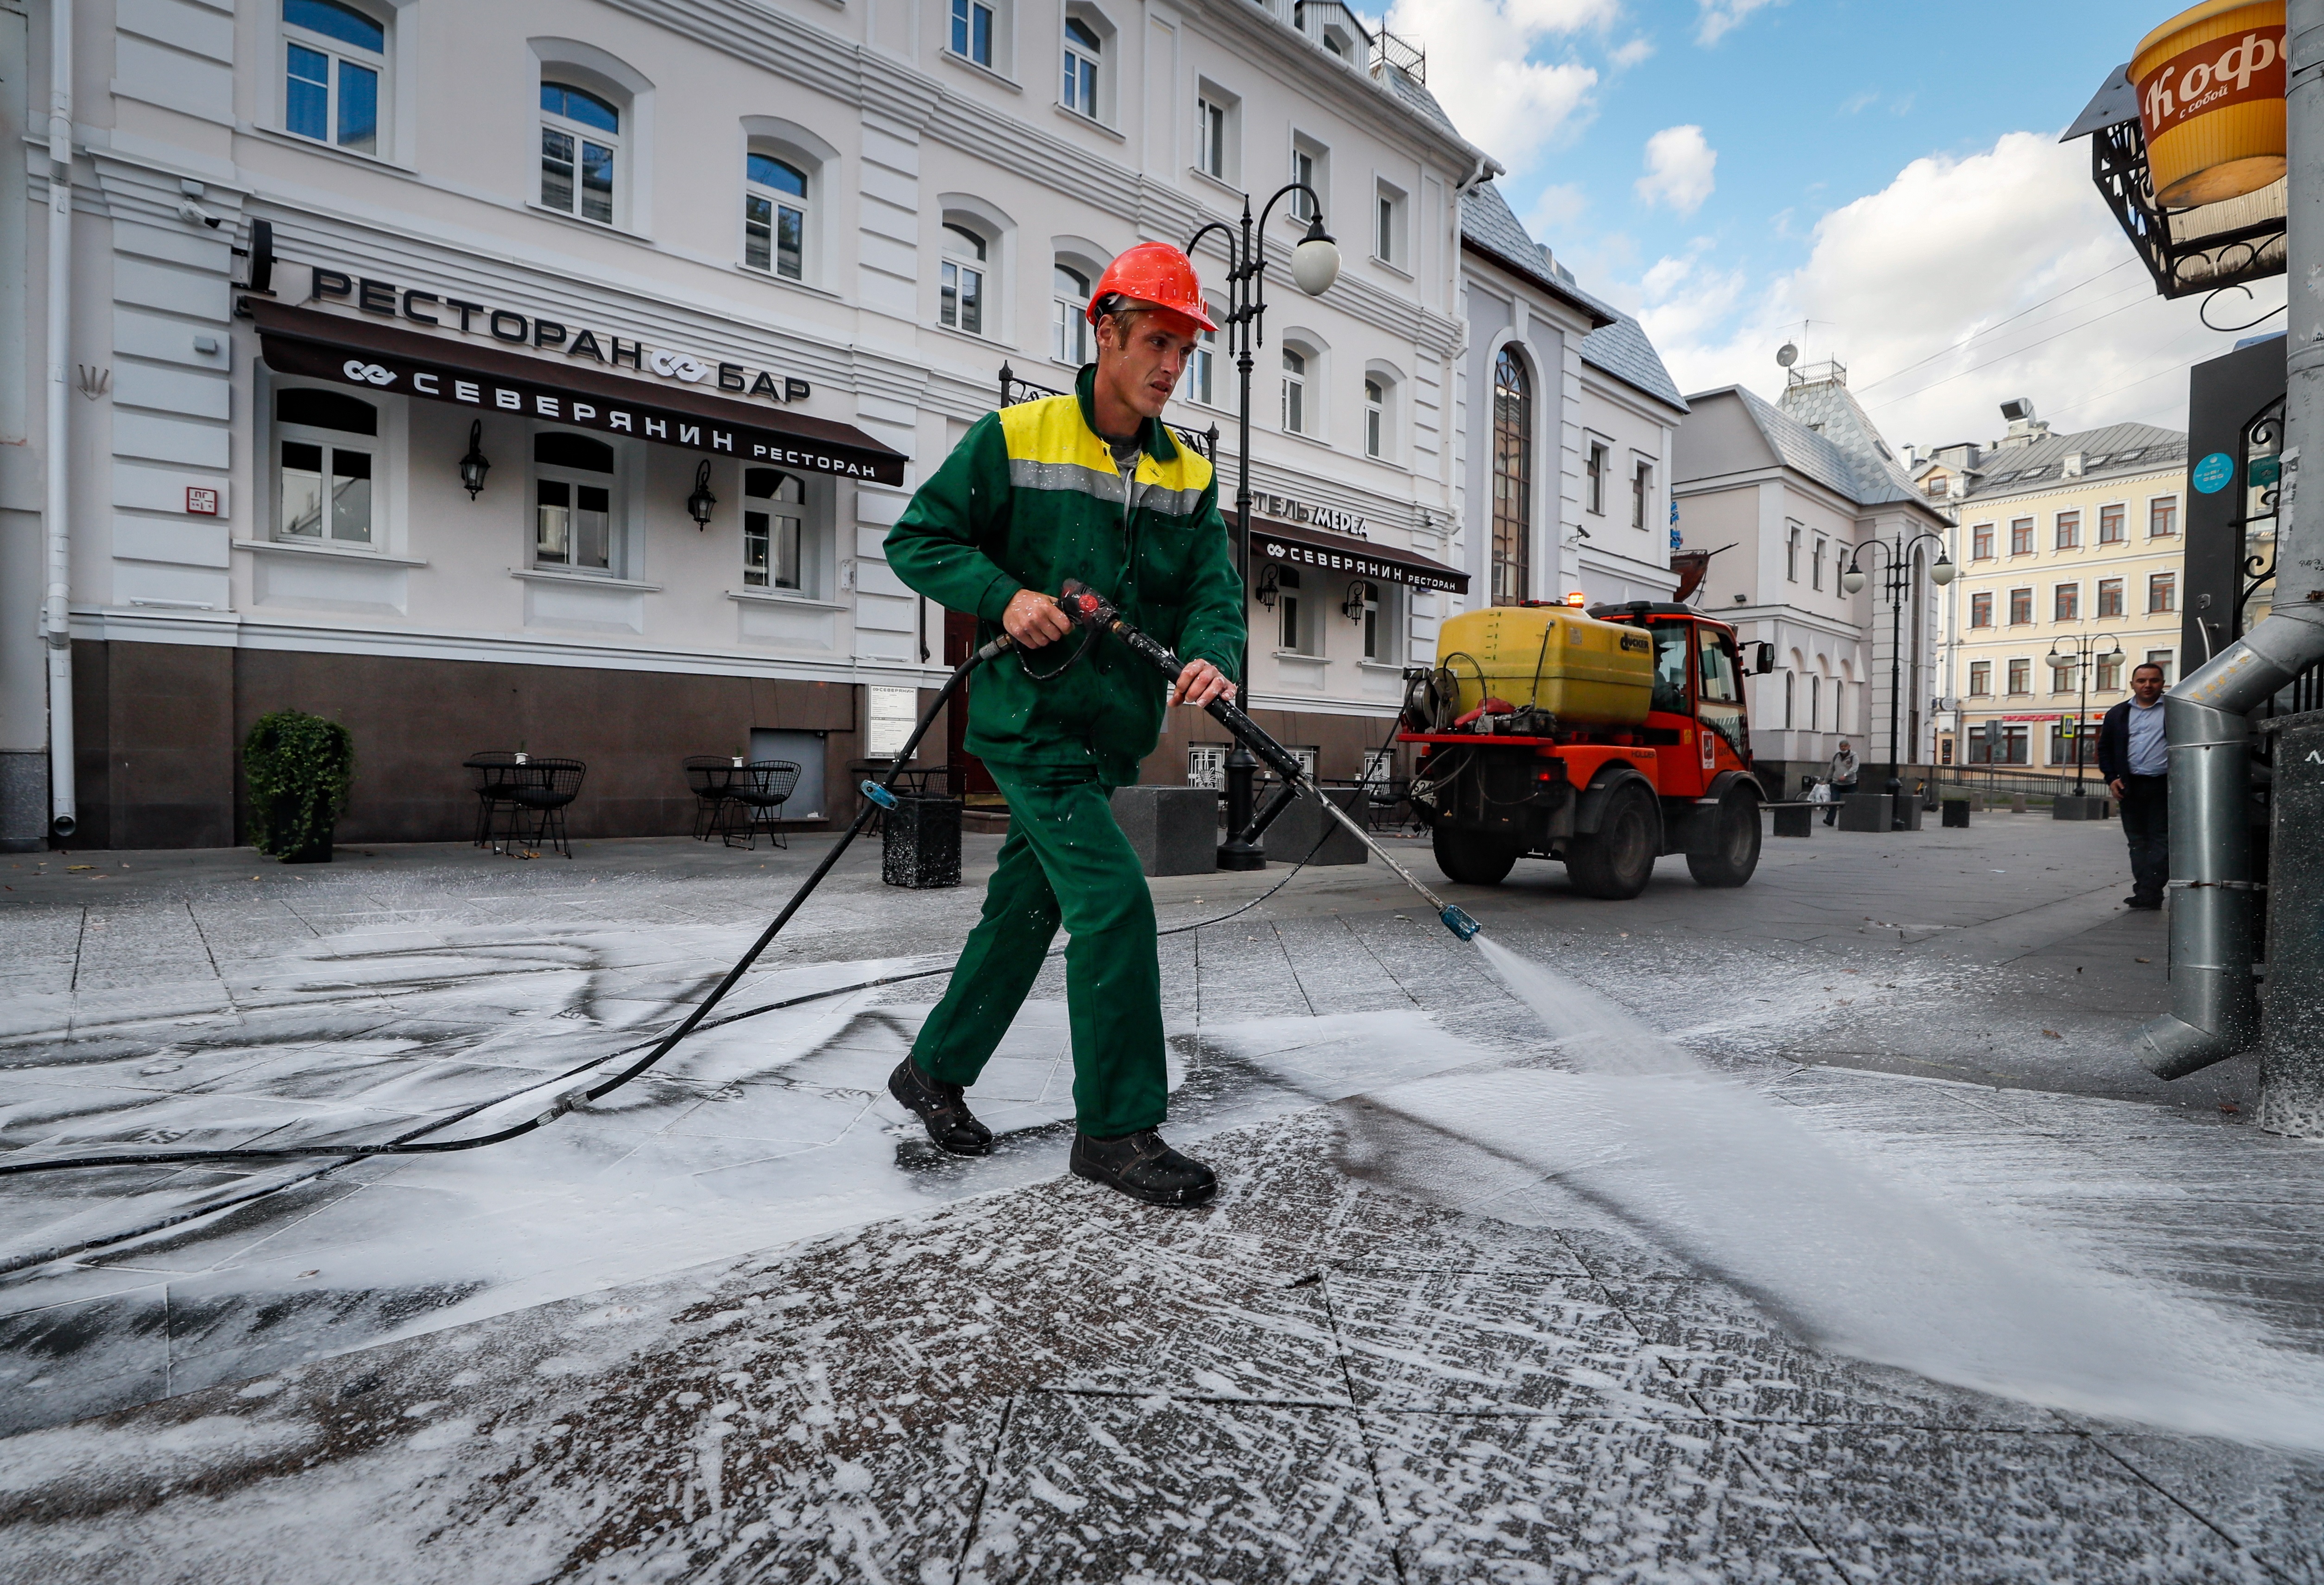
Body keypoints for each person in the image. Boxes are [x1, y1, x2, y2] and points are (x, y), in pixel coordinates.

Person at [880, 242, 1244, 1208]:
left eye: (1186, 348)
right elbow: (917, 540)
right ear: (1106, 332)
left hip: (1107, 735)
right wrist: (1003, 597)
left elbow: (1213, 594)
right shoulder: (1017, 437)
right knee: (1114, 903)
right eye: (1157, 342)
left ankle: (932, 1071)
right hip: (1028, 721)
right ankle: (1118, 1130)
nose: (1171, 365)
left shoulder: (1189, 475)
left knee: (1027, 910)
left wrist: (1216, 655)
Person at [2100, 661, 2169, 909]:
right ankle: (2146, 891)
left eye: (2154, 680)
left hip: (2164, 785)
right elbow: (2105, 750)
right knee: (2137, 841)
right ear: (2133, 685)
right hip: (2130, 787)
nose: (2148, 685)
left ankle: (2150, 892)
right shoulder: (2118, 714)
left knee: (2161, 839)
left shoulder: (2174, 711)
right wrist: (2111, 778)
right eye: (2142, 681)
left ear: (2163, 683)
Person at [1823, 739, 1858, 826]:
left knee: (1850, 803)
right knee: (1834, 802)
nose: (1843, 748)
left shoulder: (1854, 756)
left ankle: (1850, 820)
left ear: (1849, 747)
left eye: (1845, 746)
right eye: (1841, 746)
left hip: (1850, 784)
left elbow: (1855, 768)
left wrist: (1846, 775)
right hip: (1836, 784)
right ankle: (1830, 820)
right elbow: (1831, 769)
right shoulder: (1836, 757)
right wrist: (1826, 780)